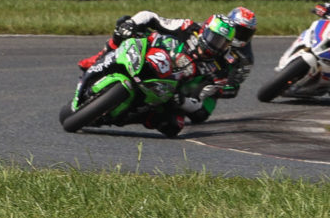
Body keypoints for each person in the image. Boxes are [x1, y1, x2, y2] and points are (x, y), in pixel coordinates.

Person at [77, 12, 238, 136]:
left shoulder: (220, 68)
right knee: (123, 23)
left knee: (173, 125)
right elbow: (151, 17)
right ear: (204, 30)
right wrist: (132, 24)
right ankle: (98, 59)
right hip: (152, 54)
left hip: (170, 89)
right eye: (213, 37)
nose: (215, 44)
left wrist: (182, 100)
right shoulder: (187, 27)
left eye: (221, 42)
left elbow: (201, 110)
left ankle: (126, 116)